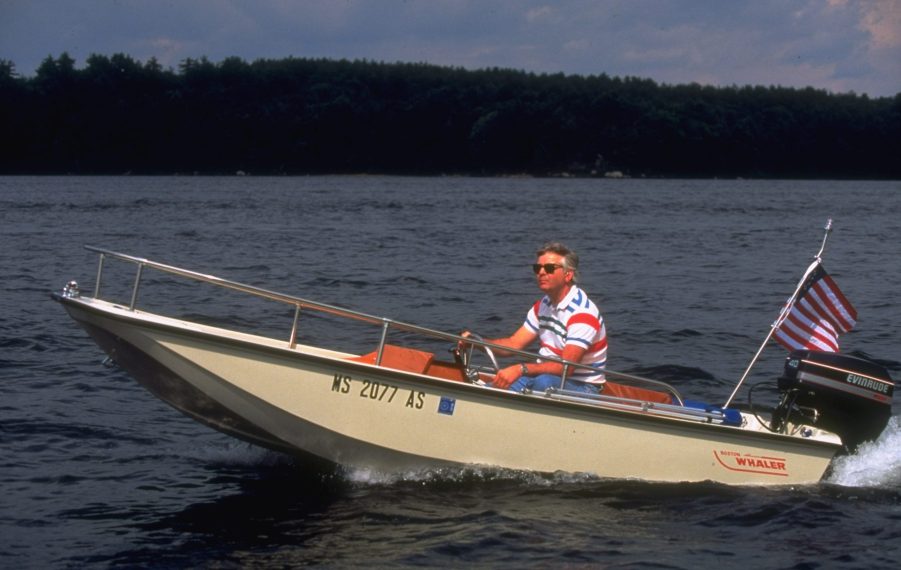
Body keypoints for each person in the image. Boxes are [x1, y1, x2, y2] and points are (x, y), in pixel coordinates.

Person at [462, 242, 607, 394]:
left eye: (549, 268)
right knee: (495, 389)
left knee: (543, 382)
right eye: (538, 268)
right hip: (544, 377)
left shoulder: (583, 313)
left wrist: (521, 369)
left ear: (568, 275)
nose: (541, 273)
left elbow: (566, 367)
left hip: (583, 386)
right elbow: (513, 344)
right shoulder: (543, 305)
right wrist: (476, 343)